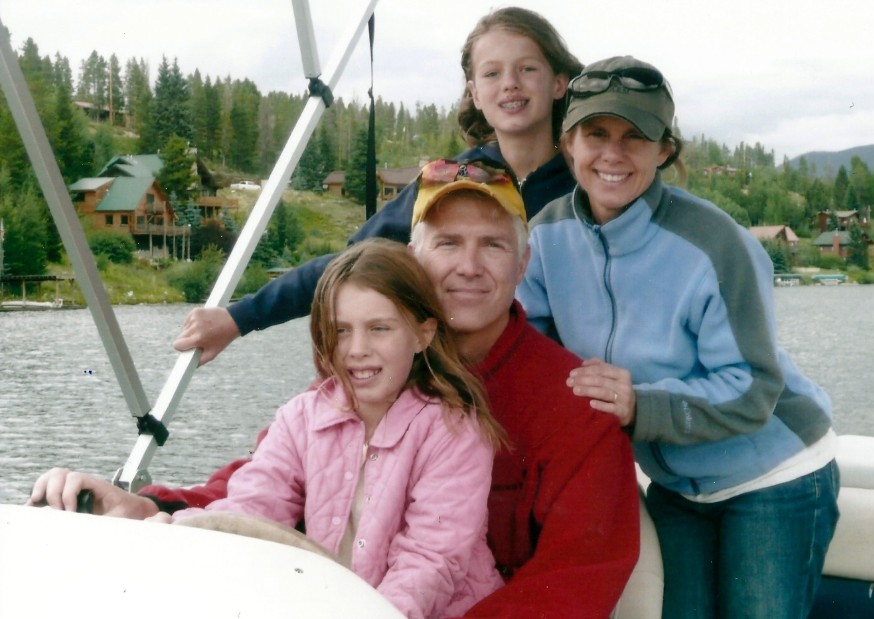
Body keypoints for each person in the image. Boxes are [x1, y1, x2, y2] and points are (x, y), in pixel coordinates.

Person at [31, 160, 641, 618]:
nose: (468, 266)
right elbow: (258, 489)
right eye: (448, 243)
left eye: (492, 245)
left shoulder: (573, 406)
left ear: (524, 262)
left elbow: (572, 586)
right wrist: (151, 507)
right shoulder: (355, 382)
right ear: (414, 256)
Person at [517, 56, 841, 619]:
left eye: (635, 137)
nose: (612, 154)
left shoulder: (717, 244)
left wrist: (639, 404)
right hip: (675, 487)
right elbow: (531, 358)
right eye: (596, 134)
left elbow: (754, 389)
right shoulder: (544, 238)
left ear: (665, 150)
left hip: (774, 476)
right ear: (569, 142)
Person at [173, 6, 583, 367]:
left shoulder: (589, 185)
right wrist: (240, 318)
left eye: (527, 68)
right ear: (475, 93)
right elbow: (354, 266)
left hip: (550, 380)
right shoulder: (447, 184)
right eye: (492, 73)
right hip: (453, 378)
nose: (510, 83)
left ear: (560, 83)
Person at [162, 239, 506, 619]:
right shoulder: (301, 419)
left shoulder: (454, 431)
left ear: (422, 335)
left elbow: (431, 561)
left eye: (379, 328)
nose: (357, 348)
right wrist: (175, 533)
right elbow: (251, 511)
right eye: (341, 330)